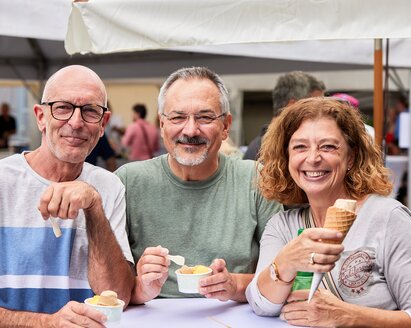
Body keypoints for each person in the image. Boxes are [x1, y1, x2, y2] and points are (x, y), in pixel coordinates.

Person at [115, 66, 283, 304]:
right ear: (162, 125)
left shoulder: (256, 179)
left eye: (205, 117)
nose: (191, 130)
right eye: (177, 117)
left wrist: (234, 285)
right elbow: (108, 286)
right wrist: (140, 289)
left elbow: (281, 274)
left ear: (225, 126)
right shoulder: (129, 181)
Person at [246, 97, 411, 327]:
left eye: (328, 146)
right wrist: (285, 262)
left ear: (351, 157)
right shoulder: (282, 225)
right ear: (287, 158)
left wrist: (348, 316)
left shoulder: (389, 217)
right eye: (300, 147)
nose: (313, 158)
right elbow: (261, 304)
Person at [0, 65, 135, 326]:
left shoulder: (109, 187)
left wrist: (94, 205)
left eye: (90, 111)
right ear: (41, 117)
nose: (76, 123)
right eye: (62, 107)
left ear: (103, 124)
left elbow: (116, 296)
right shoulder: (3, 182)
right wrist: (47, 323)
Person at [243, 71, 325, 160]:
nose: (321, 113)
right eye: (314, 107)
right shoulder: (265, 151)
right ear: (292, 106)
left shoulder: (268, 145)